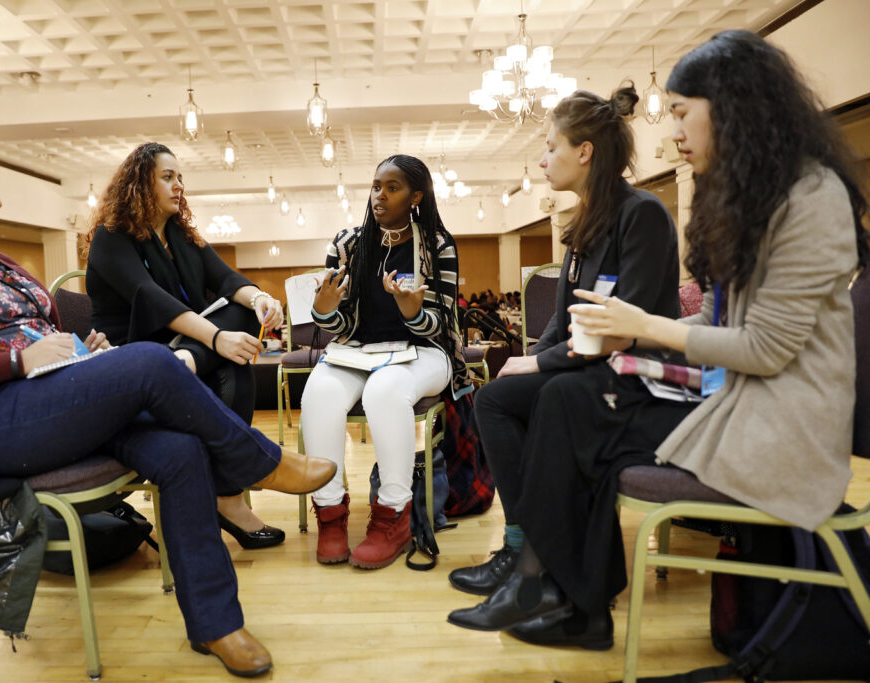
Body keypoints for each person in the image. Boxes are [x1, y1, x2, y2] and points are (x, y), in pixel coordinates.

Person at [0, 129, 336, 677]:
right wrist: (19, 362)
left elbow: (38, 331)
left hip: (38, 402)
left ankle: (217, 623)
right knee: (152, 360)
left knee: (179, 451)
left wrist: (81, 351)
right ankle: (260, 463)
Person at [447, 30, 868, 651]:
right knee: (568, 401)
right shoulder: (764, 196)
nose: (672, 133)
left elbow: (765, 350)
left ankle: (559, 590)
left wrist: (640, 326)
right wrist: (631, 329)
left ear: (731, 107)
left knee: (571, 403)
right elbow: (724, 328)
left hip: (779, 430)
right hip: (737, 404)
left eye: (679, 113)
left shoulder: (809, 199)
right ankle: (563, 595)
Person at [448, 83, 680, 598]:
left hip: (636, 378)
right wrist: (533, 359)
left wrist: (540, 365)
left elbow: (628, 327)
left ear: (585, 151)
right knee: (500, 395)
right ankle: (527, 548)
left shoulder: (640, 215)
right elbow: (562, 319)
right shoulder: (583, 222)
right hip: (592, 366)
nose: (542, 159)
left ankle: (528, 550)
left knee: (503, 401)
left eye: (551, 147)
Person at [84, 142, 287, 550]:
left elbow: (227, 279)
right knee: (232, 360)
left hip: (184, 352)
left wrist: (261, 299)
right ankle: (229, 498)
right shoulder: (111, 238)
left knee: (242, 320)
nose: (178, 186)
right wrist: (215, 338)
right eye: (168, 176)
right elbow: (151, 298)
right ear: (140, 182)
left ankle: (188, 364)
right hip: (138, 354)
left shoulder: (180, 236)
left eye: (180, 178)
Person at [301, 154, 472, 569]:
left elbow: (442, 324)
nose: (379, 196)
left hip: (425, 353)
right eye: (376, 186)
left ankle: (392, 515)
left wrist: (412, 311)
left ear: (416, 196)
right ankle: (330, 515)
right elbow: (336, 325)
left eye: (392, 188)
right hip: (356, 351)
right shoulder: (347, 244)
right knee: (318, 393)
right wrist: (323, 310)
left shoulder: (435, 245)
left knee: (385, 390)